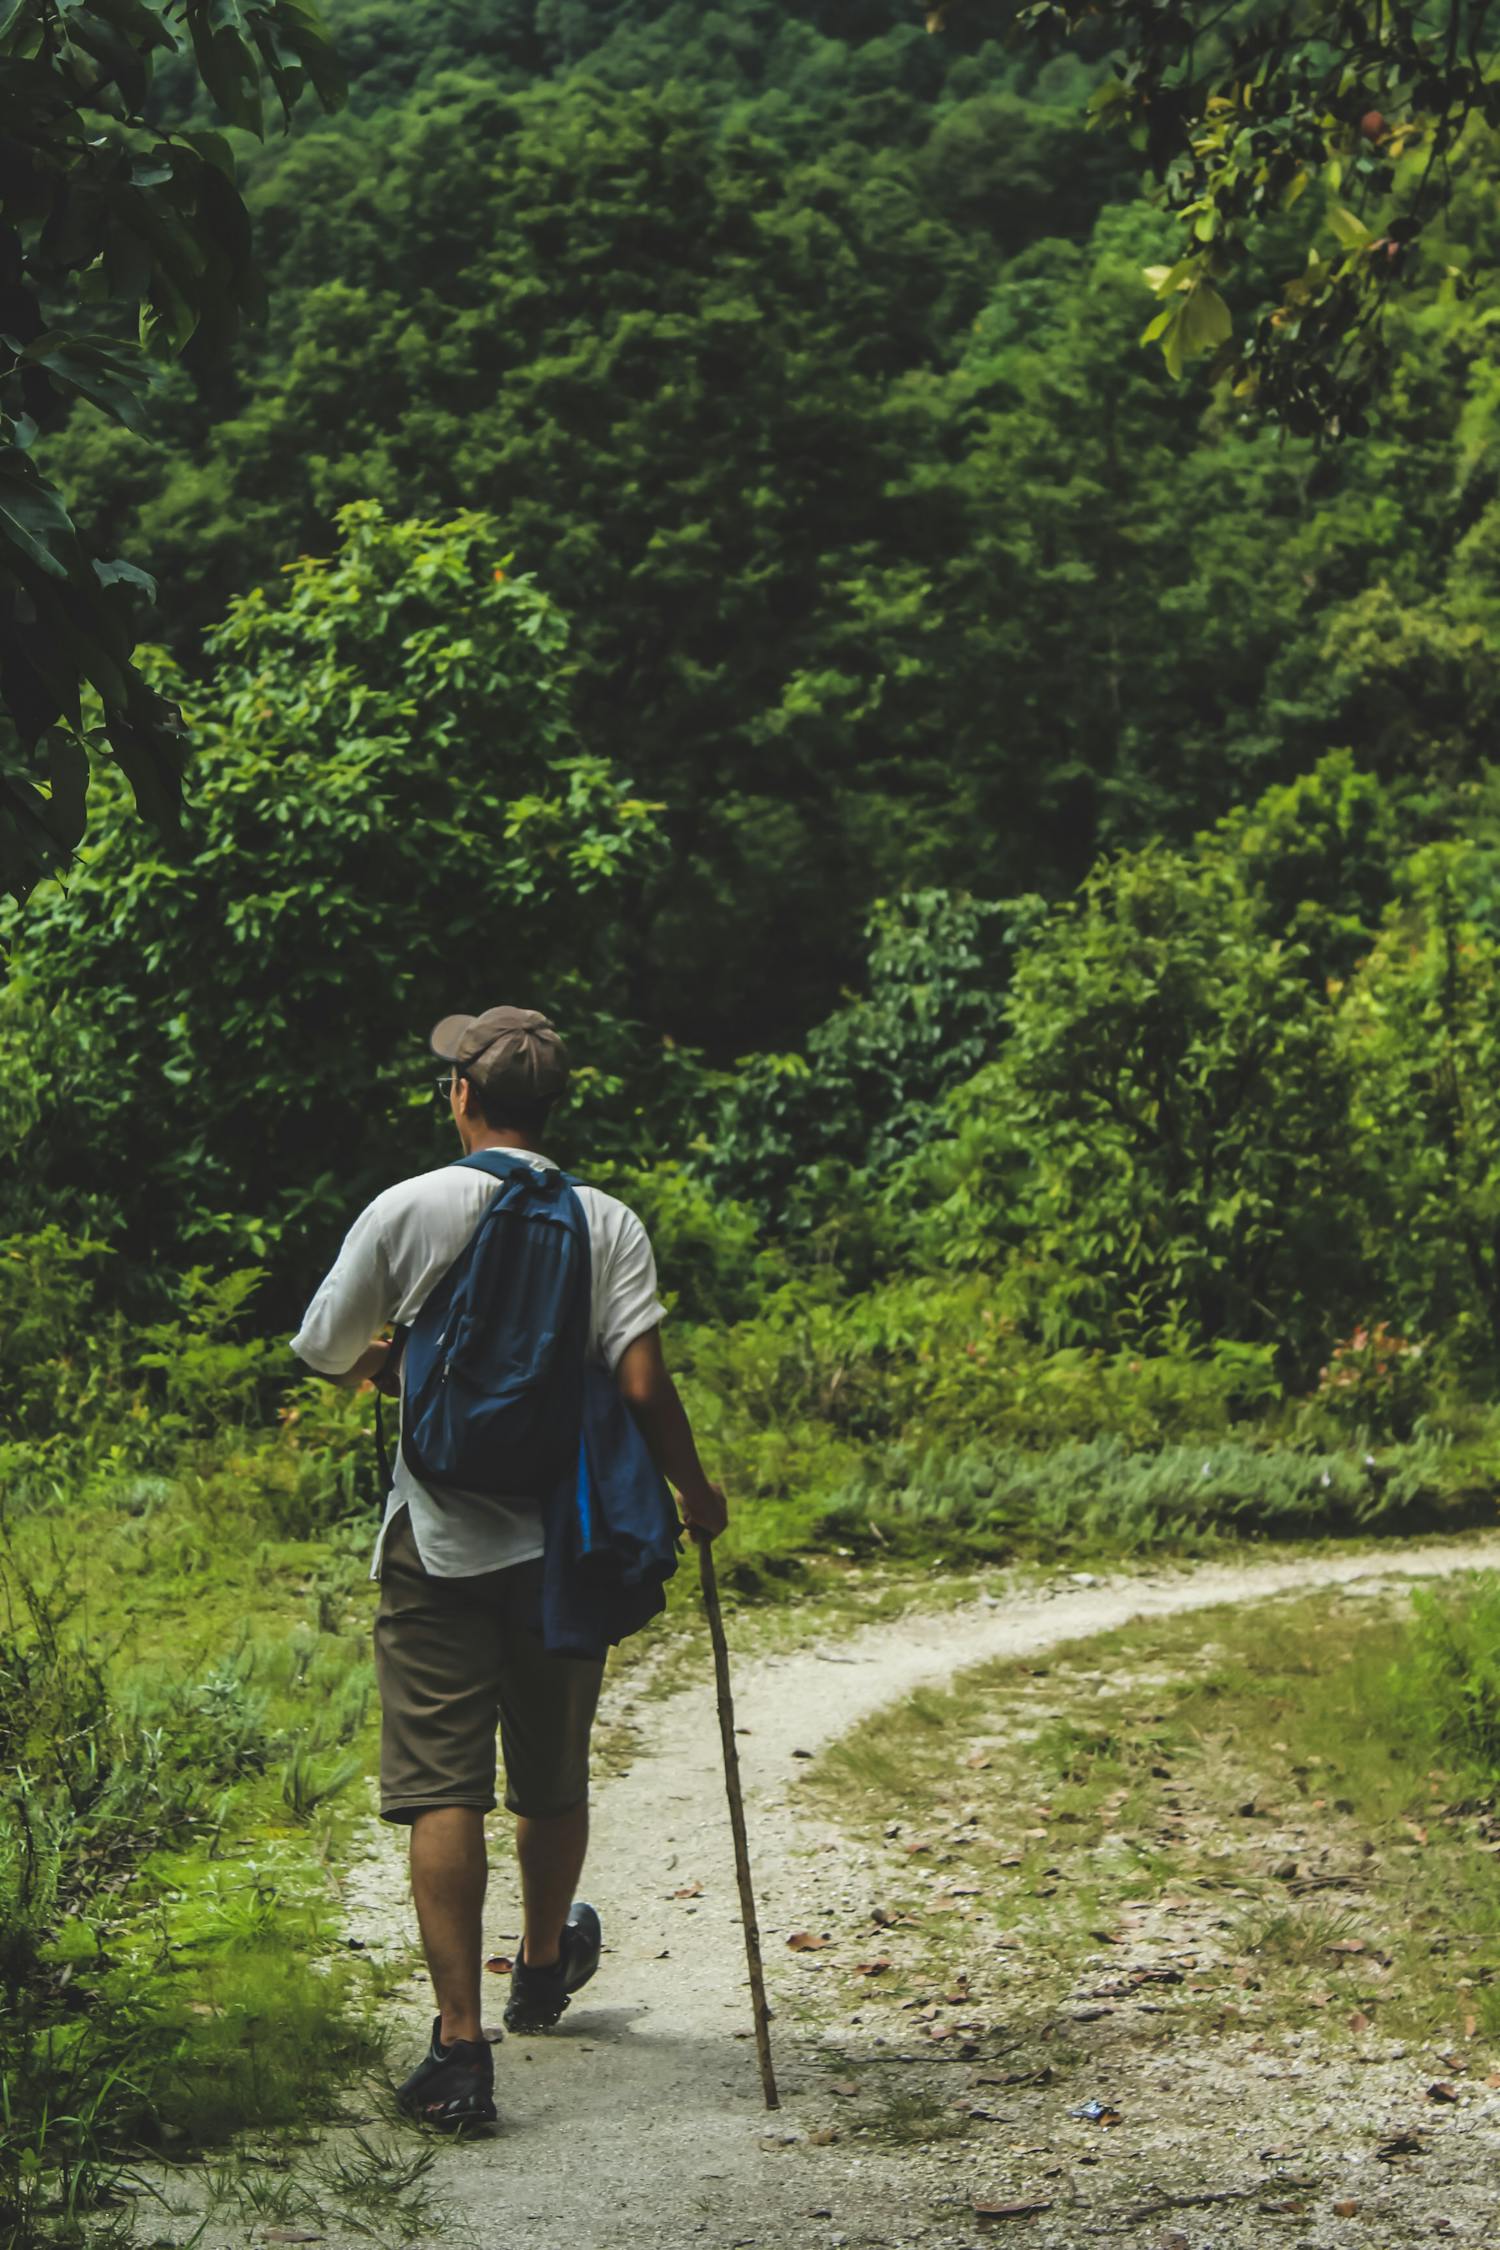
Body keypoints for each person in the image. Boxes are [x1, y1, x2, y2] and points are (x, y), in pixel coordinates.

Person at [291, 1005, 727, 2129]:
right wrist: (693, 1488)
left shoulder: (410, 1206)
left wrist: (389, 1373)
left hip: (434, 1540)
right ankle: (541, 1967)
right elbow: (639, 1385)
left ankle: (459, 2046)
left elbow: (323, 1349)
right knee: (552, 1767)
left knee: (443, 1784)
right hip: (564, 1545)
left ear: (463, 1099)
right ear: (552, 1107)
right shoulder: (607, 1221)